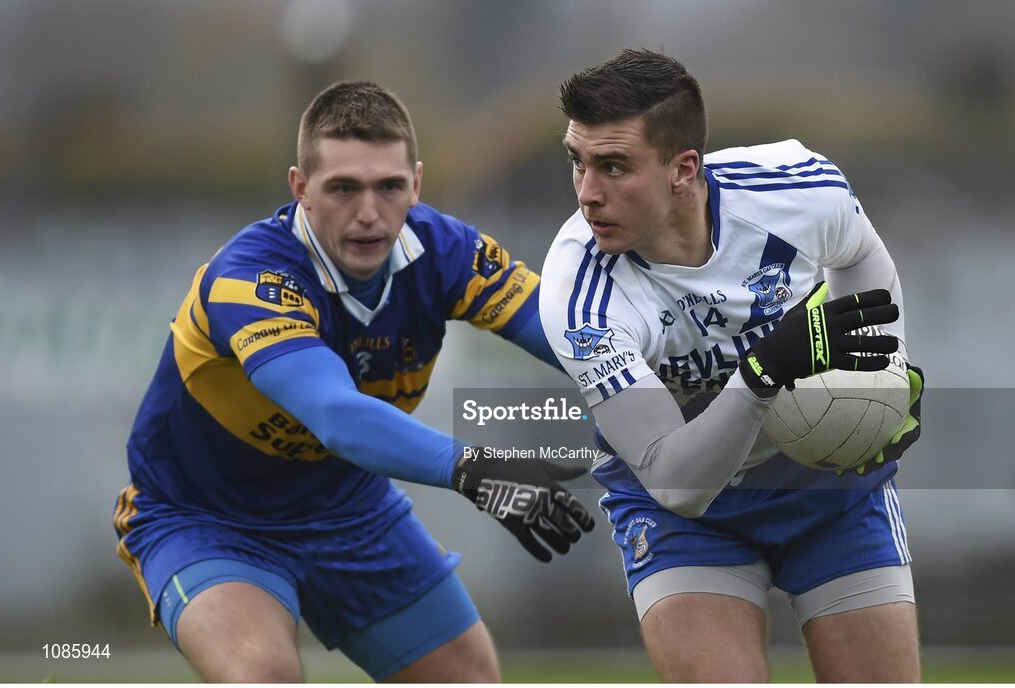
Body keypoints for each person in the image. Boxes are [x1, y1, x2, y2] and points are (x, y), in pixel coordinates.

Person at [112, 81, 593, 683]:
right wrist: (474, 468)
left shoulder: (452, 254)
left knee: (469, 678)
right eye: (343, 188)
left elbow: (580, 342)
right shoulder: (250, 279)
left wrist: (709, 390)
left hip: (348, 510)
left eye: (389, 187)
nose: (369, 212)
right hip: (206, 518)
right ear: (301, 190)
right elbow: (337, 416)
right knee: (262, 674)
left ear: (416, 185)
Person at [540, 49, 924, 682]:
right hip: (686, 514)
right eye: (577, 163)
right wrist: (762, 373)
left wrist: (886, 375)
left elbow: (859, 254)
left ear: (683, 169)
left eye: (613, 166)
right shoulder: (579, 293)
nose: (587, 193)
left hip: (827, 488)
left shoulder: (797, 188)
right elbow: (676, 483)